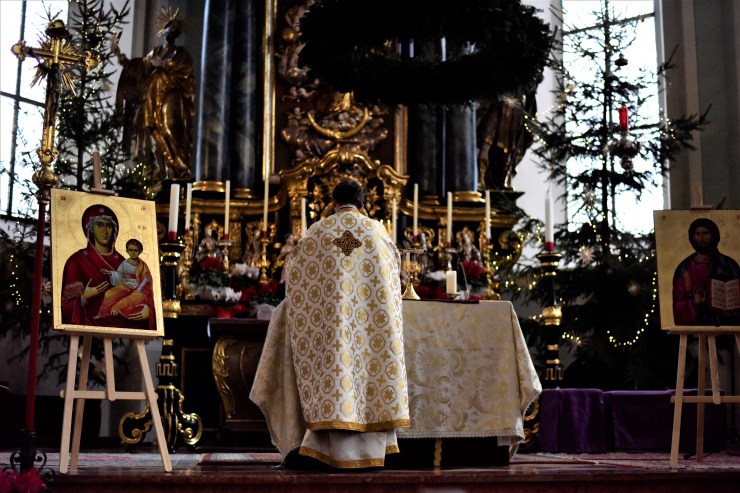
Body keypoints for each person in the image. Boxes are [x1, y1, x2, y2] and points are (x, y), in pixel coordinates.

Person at [250, 179, 410, 468]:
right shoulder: (377, 232)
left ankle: (323, 450)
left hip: (329, 334)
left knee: (333, 381)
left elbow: (295, 282)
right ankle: (373, 452)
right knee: (369, 380)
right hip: (369, 334)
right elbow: (393, 284)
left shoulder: (317, 232)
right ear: (362, 204)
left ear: (333, 203)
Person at [111, 7, 195, 181]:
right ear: (164, 31)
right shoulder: (156, 52)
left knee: (170, 127)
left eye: (174, 29)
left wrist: (164, 65)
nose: (170, 32)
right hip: (152, 98)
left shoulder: (181, 54)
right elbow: (139, 67)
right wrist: (120, 56)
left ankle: (178, 169)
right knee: (155, 133)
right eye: (168, 28)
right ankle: (161, 172)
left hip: (172, 96)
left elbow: (185, 71)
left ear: (177, 33)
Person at [61, 204, 152, 329]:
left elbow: (144, 288)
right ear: (90, 229)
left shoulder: (125, 261)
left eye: (109, 226)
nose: (105, 231)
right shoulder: (77, 261)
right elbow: (65, 308)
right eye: (100, 225)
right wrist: (84, 297)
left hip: (126, 322)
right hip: (89, 326)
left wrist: (148, 310)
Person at [672, 217, 740, 326]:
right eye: (697, 234)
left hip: (726, 329)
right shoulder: (684, 269)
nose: (701, 238)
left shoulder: (728, 265)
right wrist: (694, 303)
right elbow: (677, 308)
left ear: (714, 236)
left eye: (706, 233)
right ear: (692, 238)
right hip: (695, 330)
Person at [95, 239, 154, 326]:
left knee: (131, 299)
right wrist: (111, 273)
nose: (133, 253)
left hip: (138, 289)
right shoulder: (124, 263)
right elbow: (119, 275)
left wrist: (141, 286)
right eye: (130, 250)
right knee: (108, 294)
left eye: (135, 250)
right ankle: (103, 314)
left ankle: (115, 308)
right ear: (127, 251)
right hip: (125, 286)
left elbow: (147, 281)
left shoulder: (143, 266)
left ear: (140, 251)